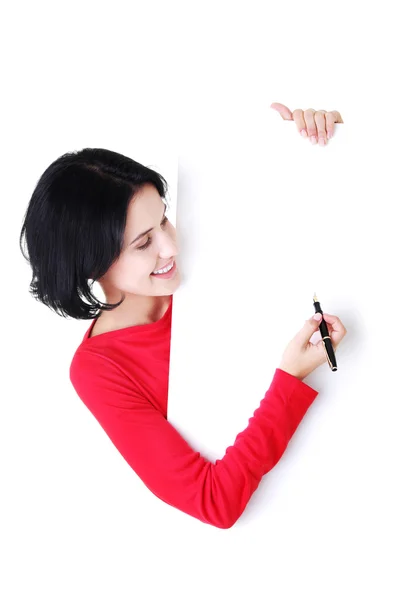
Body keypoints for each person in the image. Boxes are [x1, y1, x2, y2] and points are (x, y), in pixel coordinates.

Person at [19, 104, 347, 529]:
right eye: (143, 243)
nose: (171, 248)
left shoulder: (209, 240)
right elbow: (214, 501)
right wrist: (291, 379)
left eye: (164, 221)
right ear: (92, 264)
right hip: (298, 517)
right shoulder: (100, 370)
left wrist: (312, 144)